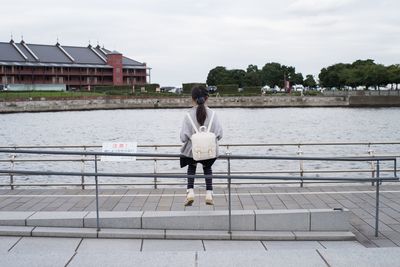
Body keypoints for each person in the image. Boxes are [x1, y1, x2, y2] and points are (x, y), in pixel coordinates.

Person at [180, 85, 223, 206]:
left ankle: (190, 192)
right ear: (207, 98)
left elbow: (183, 138)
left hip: (193, 152)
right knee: (207, 167)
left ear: (192, 98)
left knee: (191, 165)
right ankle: (209, 193)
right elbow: (219, 135)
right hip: (209, 152)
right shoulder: (214, 115)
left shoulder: (188, 115)